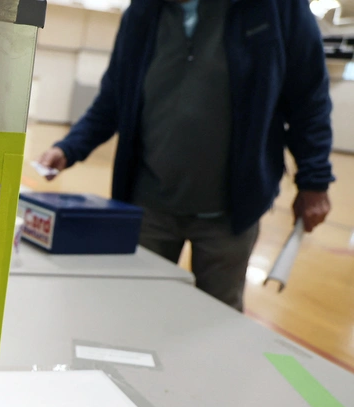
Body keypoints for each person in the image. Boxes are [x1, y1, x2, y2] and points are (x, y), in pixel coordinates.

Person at [37, 0, 333, 312]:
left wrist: (314, 181)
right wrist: (68, 147)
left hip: (230, 215)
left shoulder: (276, 8)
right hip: (148, 206)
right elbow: (113, 98)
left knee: (215, 324)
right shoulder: (141, 12)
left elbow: (309, 99)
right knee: (135, 312)